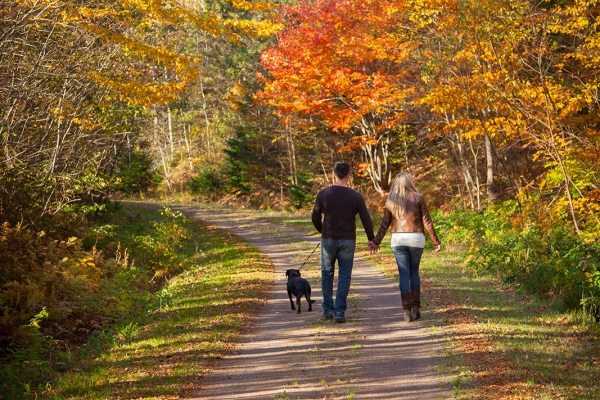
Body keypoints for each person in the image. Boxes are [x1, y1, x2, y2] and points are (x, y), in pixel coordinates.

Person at [368, 172, 441, 323]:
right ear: (410, 182)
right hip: (416, 238)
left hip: (398, 239)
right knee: (414, 272)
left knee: (403, 274)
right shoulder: (418, 197)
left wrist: (376, 241)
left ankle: (406, 311)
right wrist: (435, 241)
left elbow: (384, 223)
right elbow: (427, 221)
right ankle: (416, 309)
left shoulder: (391, 200)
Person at [312, 161, 375, 323]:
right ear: (349, 175)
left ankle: (328, 310)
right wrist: (371, 239)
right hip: (347, 240)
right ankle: (339, 312)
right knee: (344, 275)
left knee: (327, 274)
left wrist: (322, 231)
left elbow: (315, 217)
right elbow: (366, 219)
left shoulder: (323, 194)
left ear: (334, 174)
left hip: (328, 239)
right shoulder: (356, 196)